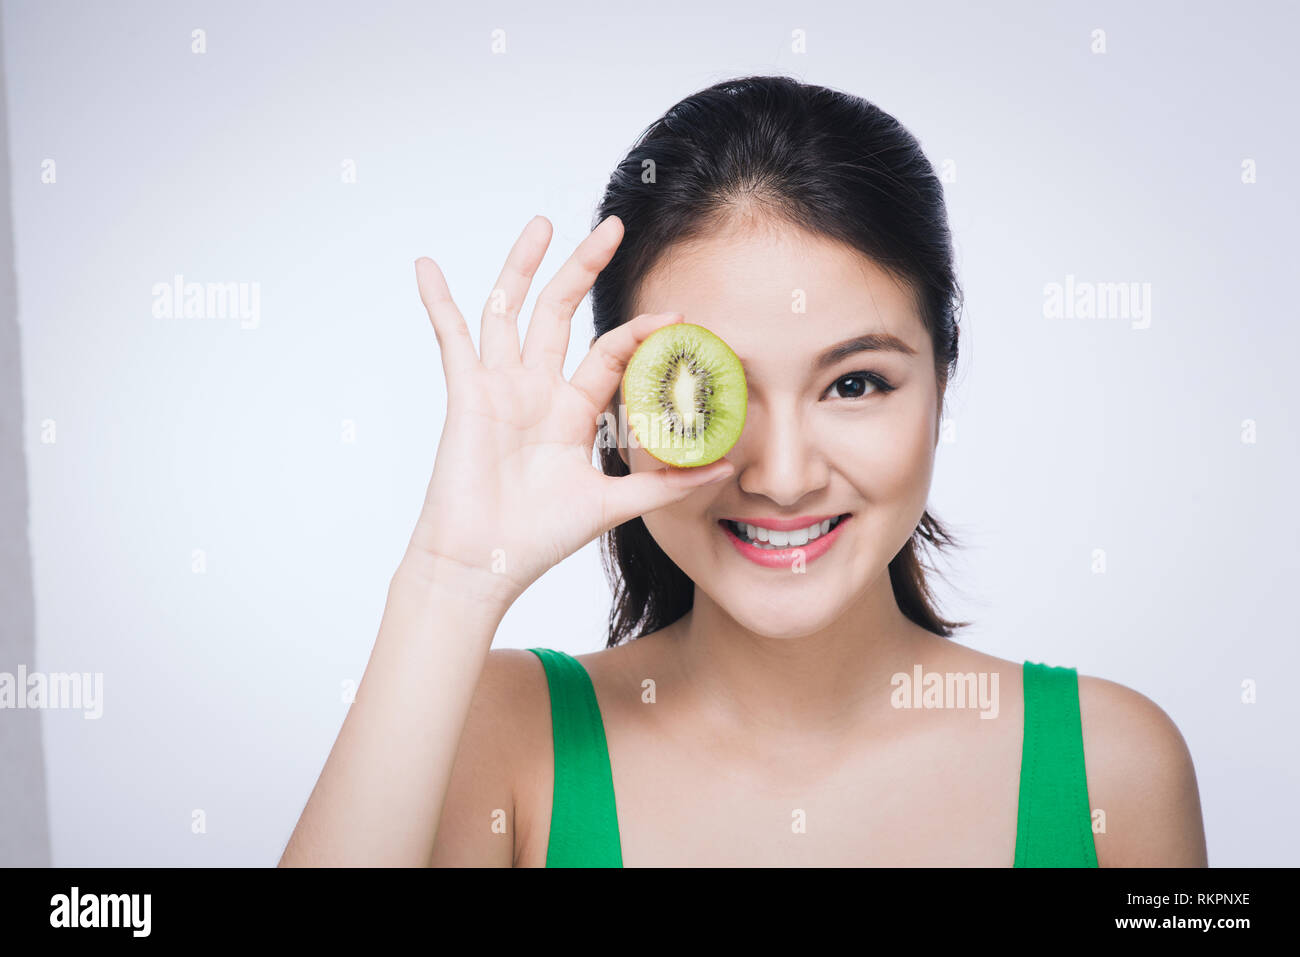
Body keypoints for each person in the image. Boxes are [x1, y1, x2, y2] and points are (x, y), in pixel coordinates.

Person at [279, 74, 1207, 867]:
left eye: (854, 382)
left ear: (940, 385)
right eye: (711, 391)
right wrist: (446, 582)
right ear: (618, 407)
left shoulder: (1111, 769)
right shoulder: (505, 734)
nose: (784, 474)